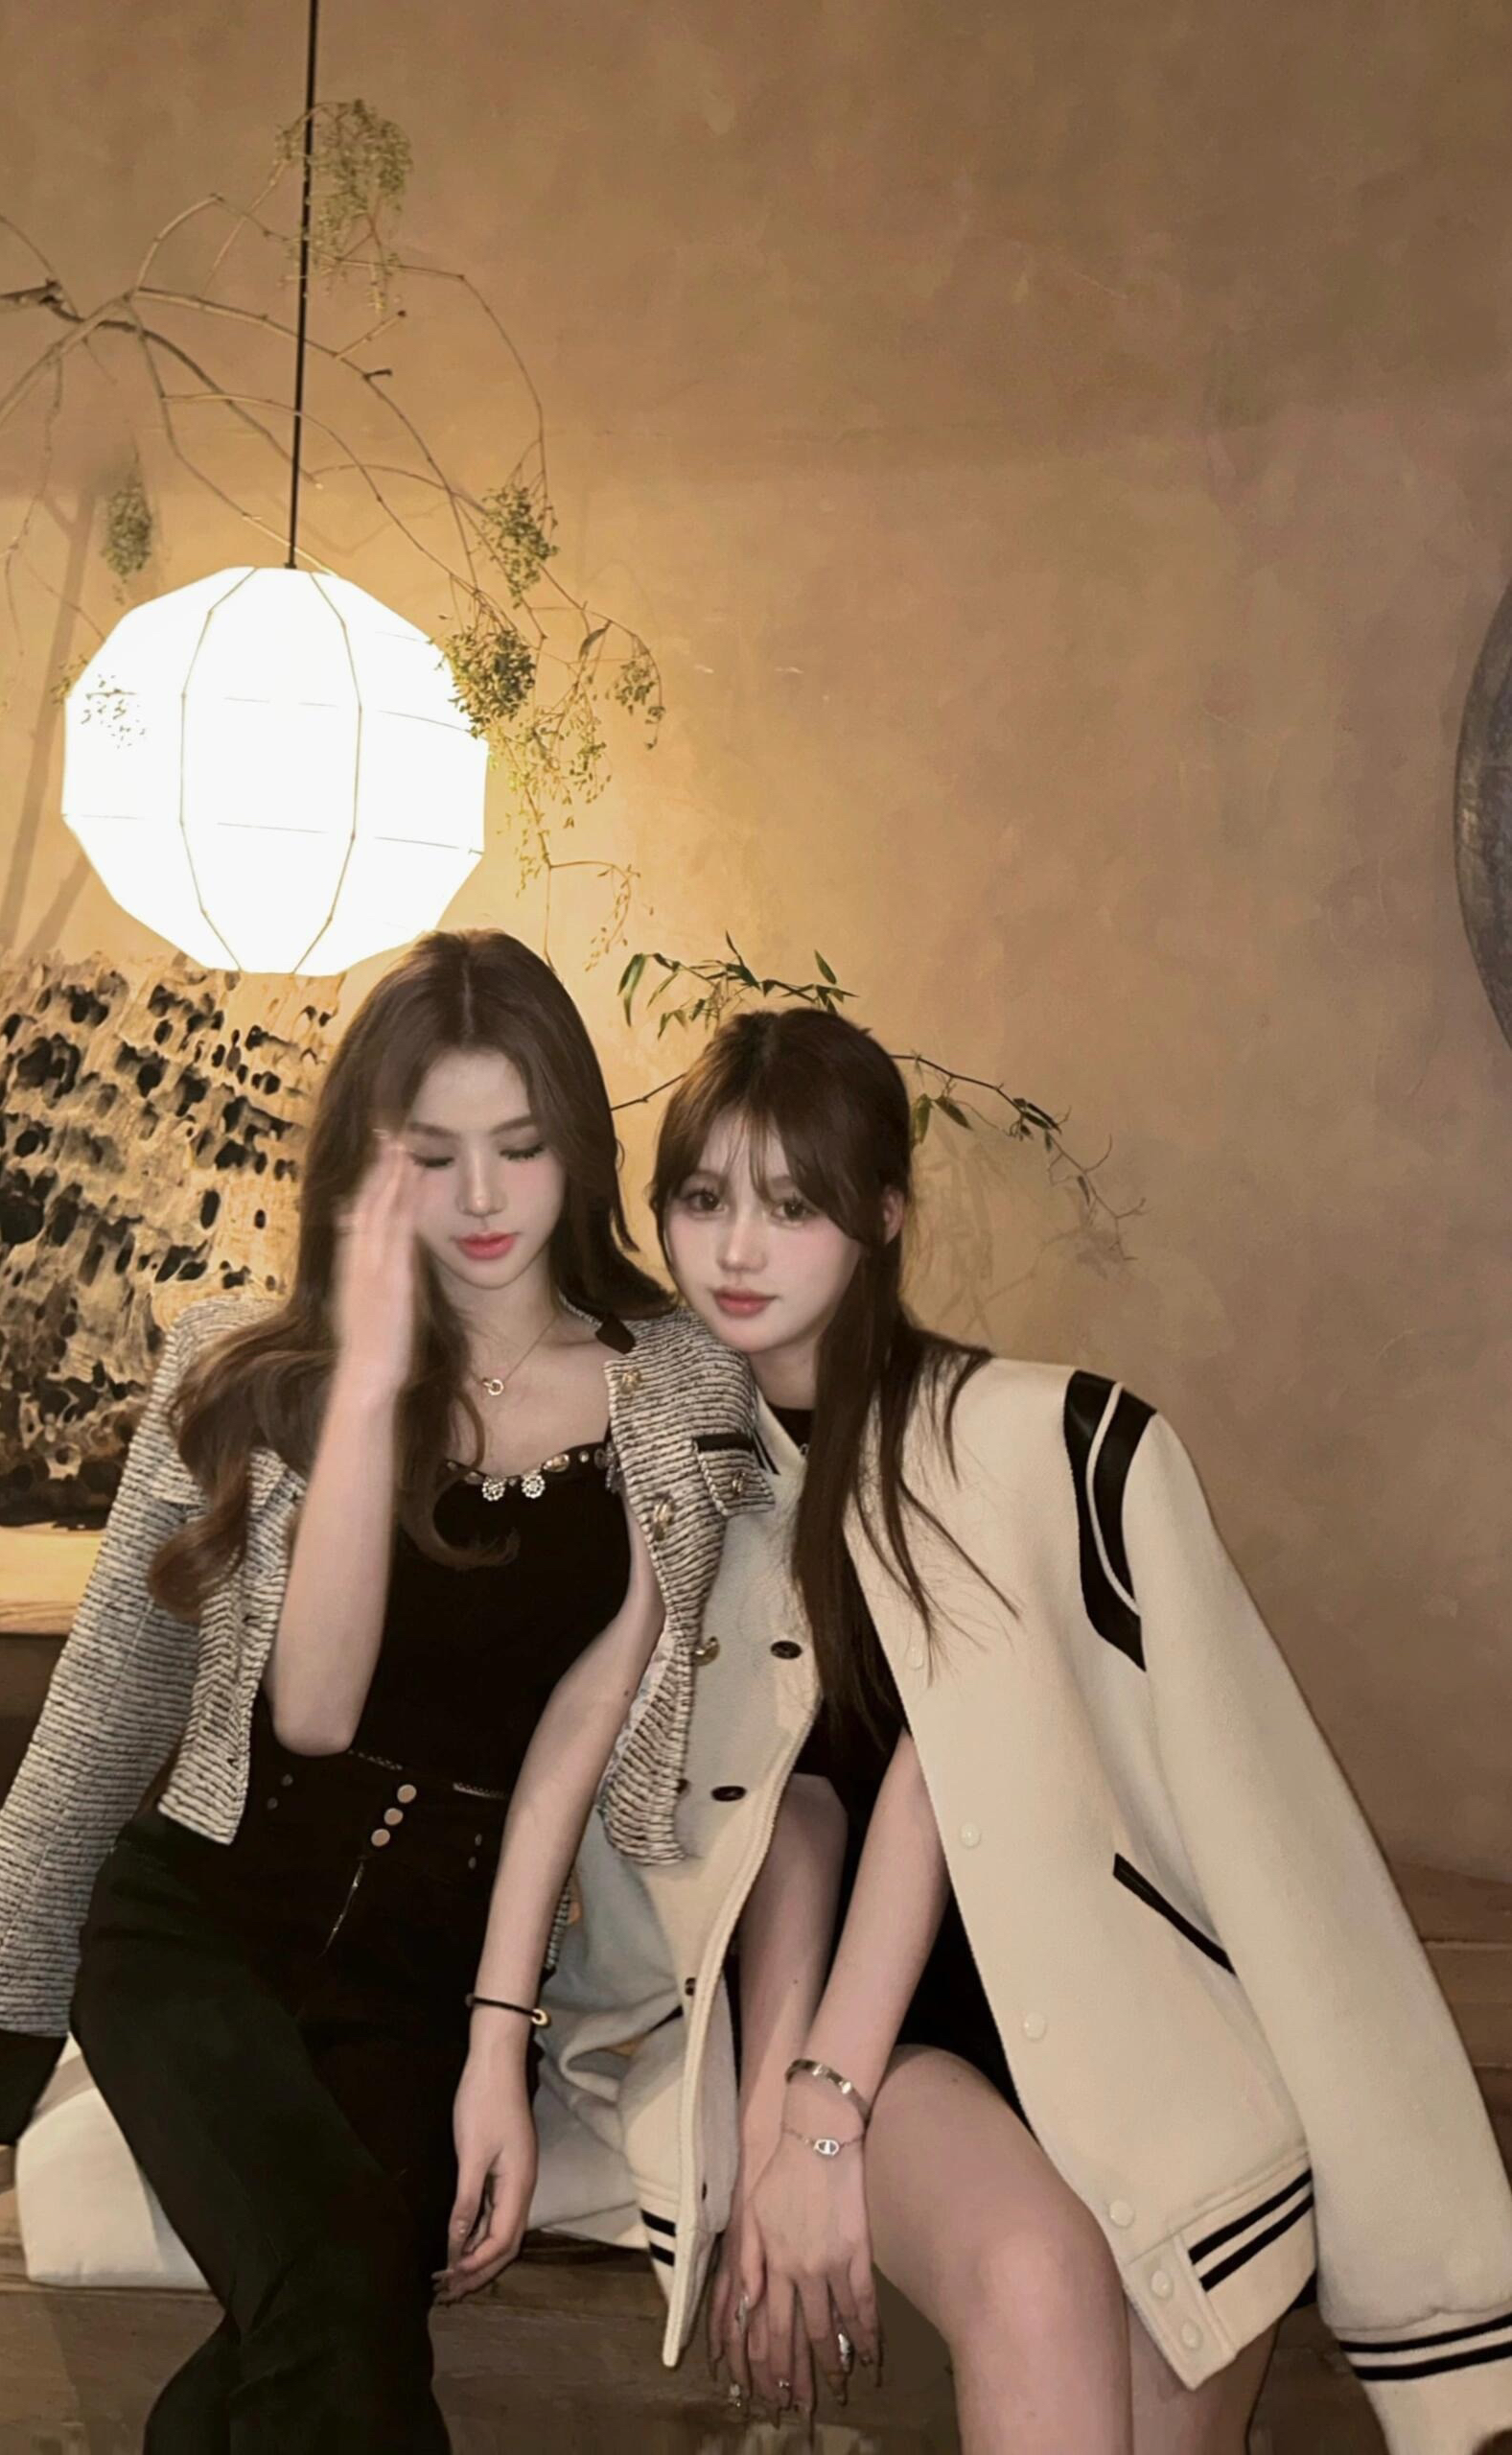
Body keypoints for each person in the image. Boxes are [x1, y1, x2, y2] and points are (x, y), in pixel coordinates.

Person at [527, 1003, 1512, 2455]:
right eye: (702, 1198)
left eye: (792, 1205)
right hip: (886, 2017)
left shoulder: (1022, 1446)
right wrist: (805, 2119)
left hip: (1095, 1989)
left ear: (883, 1213)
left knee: (1179, 2279)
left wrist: (816, 2114)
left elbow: (970, 1770)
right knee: (1034, 2271)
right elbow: (786, 1824)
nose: (736, 1249)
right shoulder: (681, 1472)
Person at [0, 928, 749, 2453]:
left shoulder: (673, 1384)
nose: (482, 1200)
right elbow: (249, 1708)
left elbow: (587, 1728)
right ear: (367, 1167)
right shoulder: (238, 1365)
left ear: (578, 1147)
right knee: (340, 2291)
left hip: (430, 1968)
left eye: (521, 1147)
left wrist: (498, 2041)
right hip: (198, 1930)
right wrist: (370, 1378)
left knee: (327, 2327)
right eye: (433, 1157)